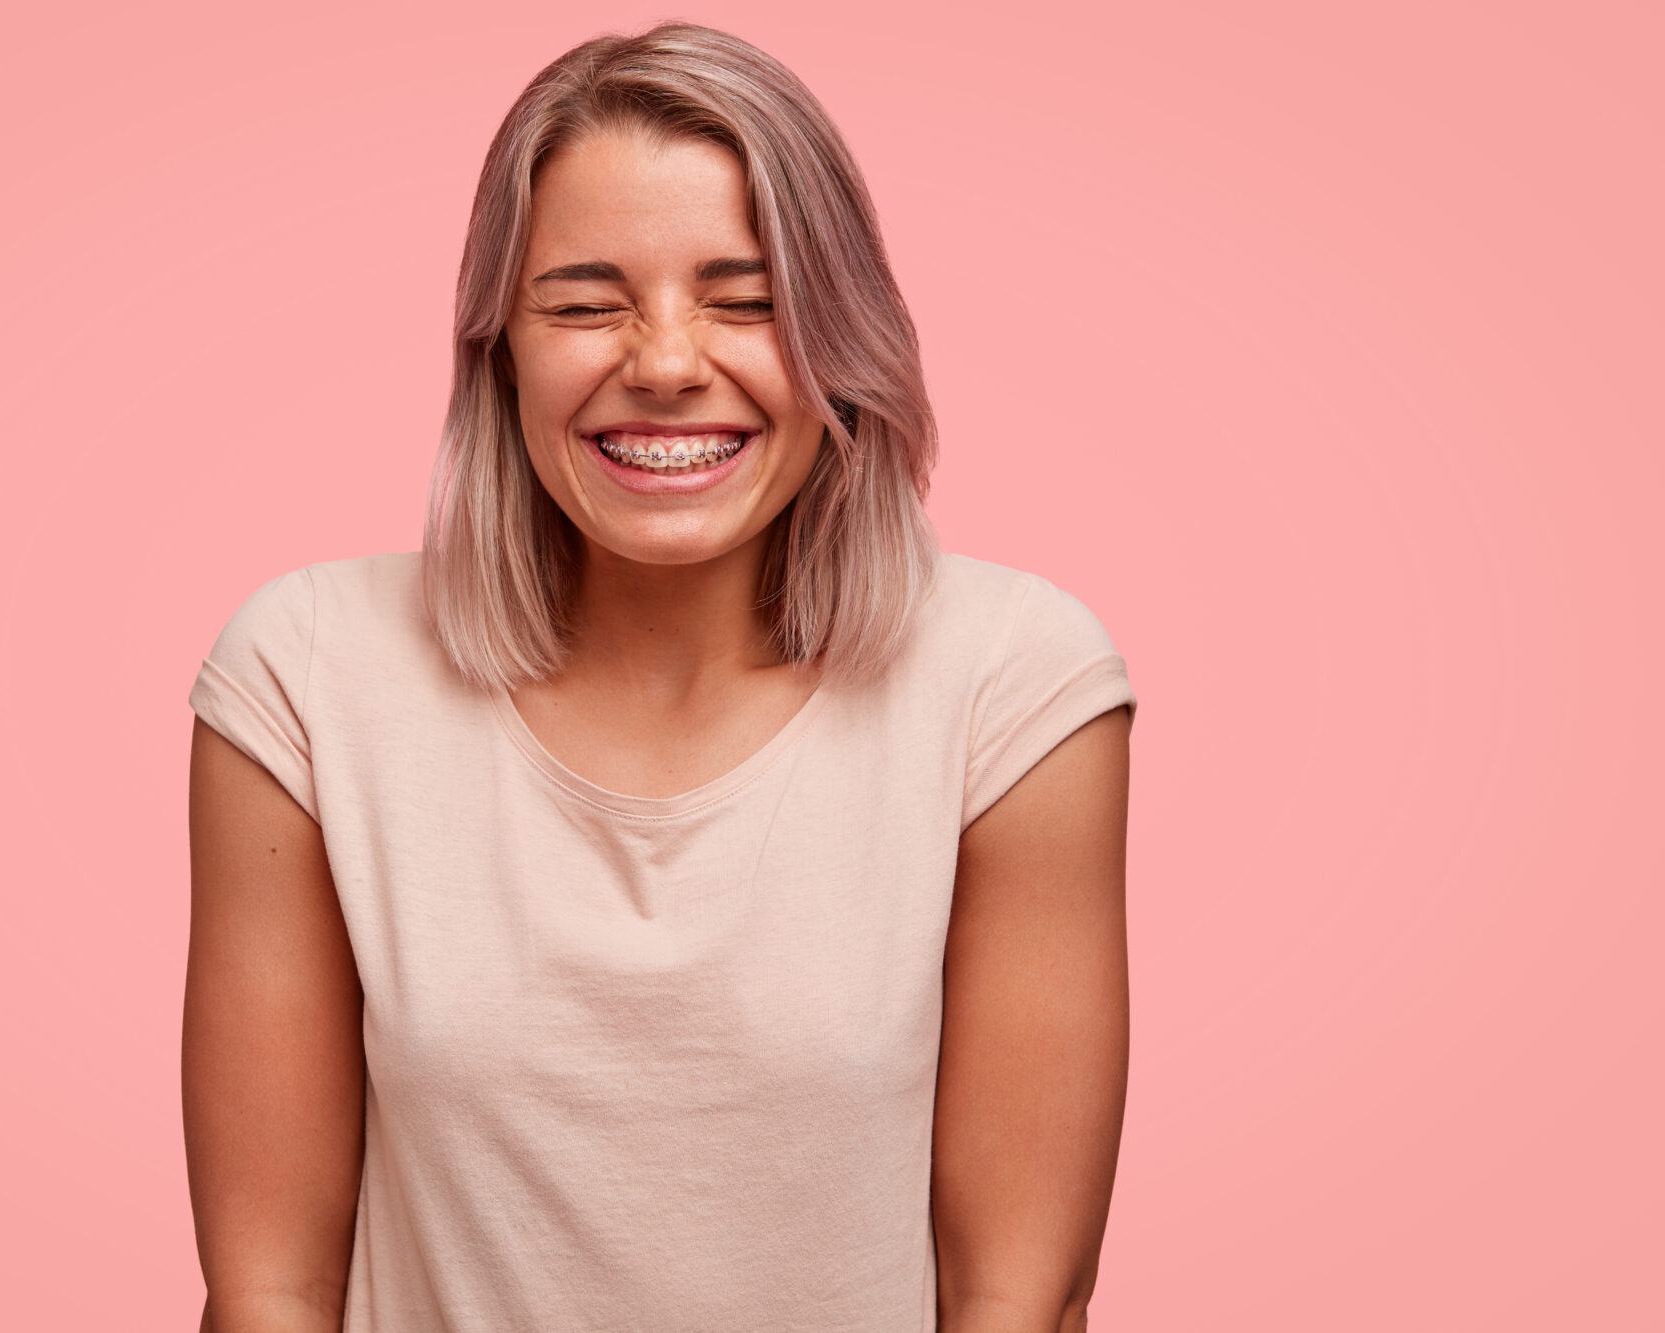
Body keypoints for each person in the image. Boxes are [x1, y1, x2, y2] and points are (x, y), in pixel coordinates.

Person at [183, 21, 1136, 1333]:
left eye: (748, 301)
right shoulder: (304, 674)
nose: (670, 362)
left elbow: (1017, 1295)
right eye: (584, 302)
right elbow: (270, 1288)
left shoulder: (1012, 684)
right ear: (499, 345)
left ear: (840, 335)